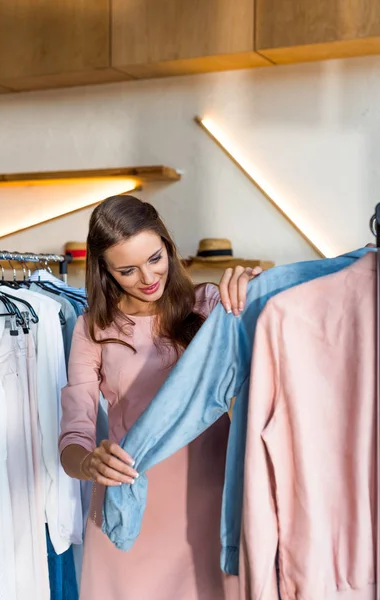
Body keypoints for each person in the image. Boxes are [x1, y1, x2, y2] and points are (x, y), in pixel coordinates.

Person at [59, 195, 260, 600]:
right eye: (127, 270)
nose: (148, 277)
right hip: (129, 505)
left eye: (155, 258)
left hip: (210, 502)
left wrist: (257, 290)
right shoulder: (91, 329)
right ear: (105, 272)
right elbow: (73, 438)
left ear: (167, 245)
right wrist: (89, 463)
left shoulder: (212, 307)